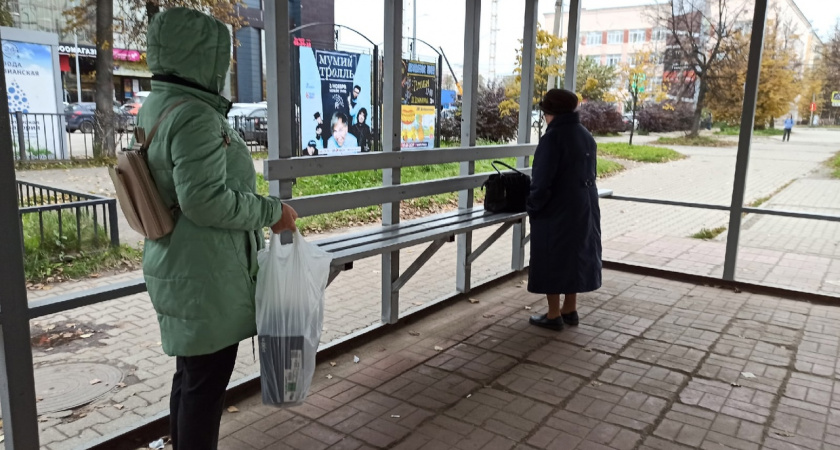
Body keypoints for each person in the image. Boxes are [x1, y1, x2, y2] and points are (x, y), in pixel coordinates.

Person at [138, 8, 298, 449]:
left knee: (190, 378)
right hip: (206, 274)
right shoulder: (196, 116)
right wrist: (272, 212)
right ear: (203, 57)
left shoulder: (158, 106)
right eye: (220, 56)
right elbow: (205, 201)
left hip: (178, 262)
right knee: (204, 388)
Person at [527, 89, 602, 331]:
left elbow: (542, 180)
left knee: (552, 256)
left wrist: (533, 206)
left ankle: (553, 314)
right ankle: (570, 309)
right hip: (584, 205)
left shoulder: (553, 137)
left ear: (550, 112)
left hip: (557, 208)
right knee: (573, 256)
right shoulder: (585, 135)